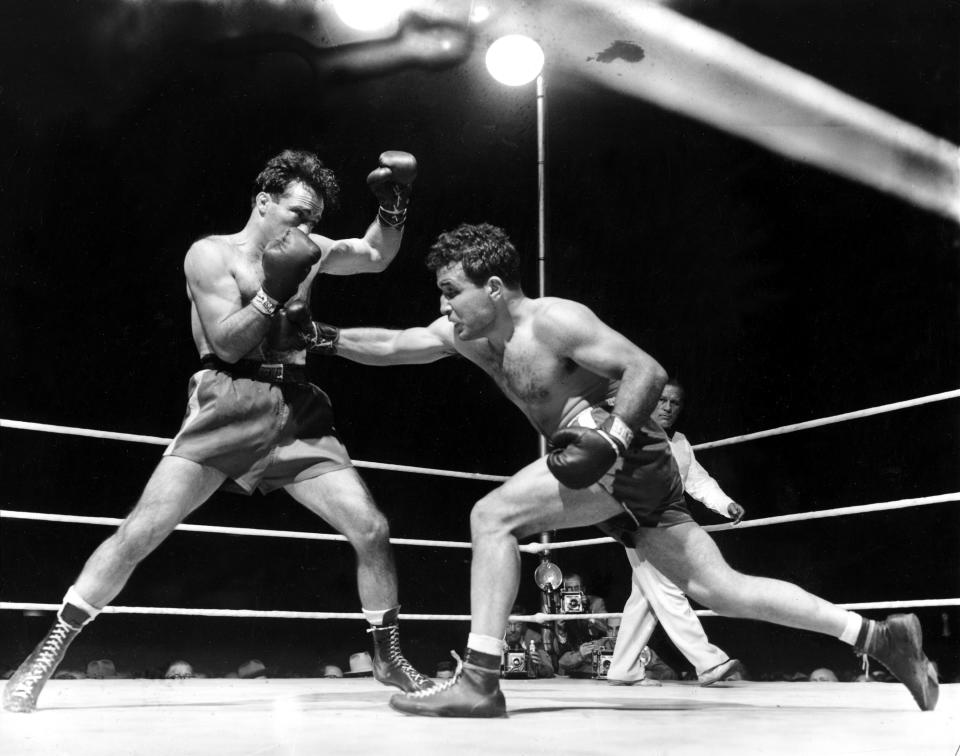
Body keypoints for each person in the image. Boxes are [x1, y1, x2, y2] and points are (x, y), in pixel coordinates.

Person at [295, 222, 938, 716]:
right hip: (606, 470)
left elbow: (647, 370)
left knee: (492, 516)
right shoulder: (467, 336)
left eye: (451, 290)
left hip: (622, 454)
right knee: (721, 588)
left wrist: (614, 436)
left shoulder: (557, 320)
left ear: (493, 286)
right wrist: (318, 336)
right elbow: (398, 344)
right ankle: (879, 635)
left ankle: (480, 681)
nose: (444, 303)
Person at [2, 148, 433, 714]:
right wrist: (274, 289)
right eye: (298, 214)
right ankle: (47, 653)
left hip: (297, 407)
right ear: (263, 203)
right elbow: (228, 341)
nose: (308, 229)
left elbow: (376, 255)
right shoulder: (211, 255)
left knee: (371, 528)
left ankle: (389, 655)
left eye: (315, 220)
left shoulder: (313, 250)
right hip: (227, 398)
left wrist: (394, 206)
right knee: (140, 533)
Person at [608, 379, 744, 687]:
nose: (668, 407)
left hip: (669, 526)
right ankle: (709, 662)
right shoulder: (632, 434)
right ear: (650, 401)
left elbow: (697, 481)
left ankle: (622, 667)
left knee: (645, 597)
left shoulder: (680, 442)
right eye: (662, 400)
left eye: (675, 403)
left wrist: (726, 504)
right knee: (668, 588)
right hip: (637, 523)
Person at [504, 605, 554, 678]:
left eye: (518, 625)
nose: (512, 630)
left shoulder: (535, 641)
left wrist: (540, 666)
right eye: (508, 625)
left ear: (524, 626)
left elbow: (549, 671)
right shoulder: (494, 642)